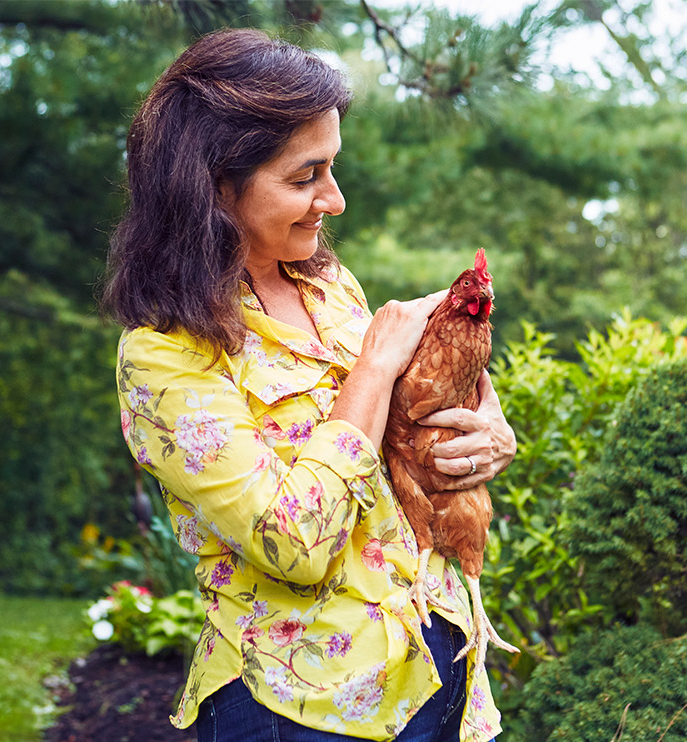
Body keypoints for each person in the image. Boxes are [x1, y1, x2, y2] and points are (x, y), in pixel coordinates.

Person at [103, 30, 515, 742]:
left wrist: (486, 432)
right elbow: (294, 542)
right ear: (212, 186)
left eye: (333, 168)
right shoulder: (163, 356)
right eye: (305, 177)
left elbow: (399, 434)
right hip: (303, 706)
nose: (336, 199)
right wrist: (374, 369)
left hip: (434, 660)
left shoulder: (328, 285)